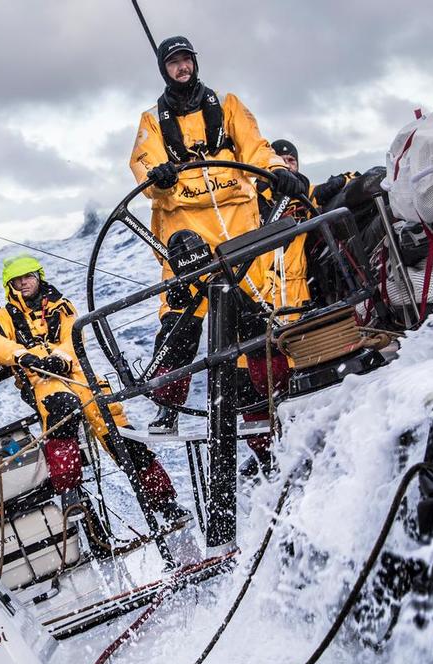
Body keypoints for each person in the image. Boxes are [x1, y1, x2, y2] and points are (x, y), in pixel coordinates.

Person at [129, 36, 310, 434]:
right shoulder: (151, 120)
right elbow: (144, 159)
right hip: (186, 234)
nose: (182, 68)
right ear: (164, 70)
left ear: (195, 63)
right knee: (179, 320)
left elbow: (256, 147)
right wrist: (157, 174)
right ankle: (167, 408)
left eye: (186, 60)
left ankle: (271, 399)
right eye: (173, 63)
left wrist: (278, 169)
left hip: (238, 229)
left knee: (255, 318)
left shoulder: (227, 105)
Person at [0, 255, 189, 523]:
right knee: (62, 409)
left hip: (77, 374)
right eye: (17, 281)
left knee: (119, 431)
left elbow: (73, 340)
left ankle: (164, 501)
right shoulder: (2, 318)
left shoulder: (62, 306)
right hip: (40, 379)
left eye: (28, 277)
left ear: (38, 277)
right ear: (9, 286)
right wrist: (22, 356)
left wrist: (61, 359)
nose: (24, 284)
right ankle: (69, 493)